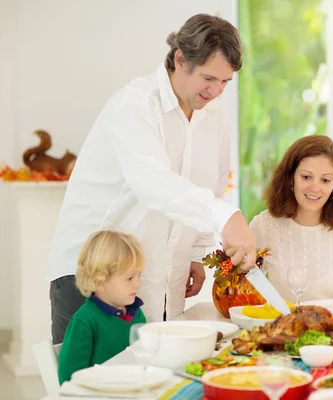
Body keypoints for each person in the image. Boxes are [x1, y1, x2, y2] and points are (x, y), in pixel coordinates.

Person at [47, 14, 256, 344]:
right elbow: (154, 184)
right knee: (91, 390)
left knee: (150, 381)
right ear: (180, 59)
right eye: (209, 78)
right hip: (91, 275)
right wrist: (226, 217)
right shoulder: (135, 105)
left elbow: (212, 185)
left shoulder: (214, 115)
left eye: (226, 82)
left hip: (154, 279)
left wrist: (195, 254)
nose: (216, 91)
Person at [249, 135, 333, 302]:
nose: (315, 187)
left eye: (325, 180)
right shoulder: (265, 225)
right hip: (286, 326)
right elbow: (241, 287)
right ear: (291, 177)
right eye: (306, 177)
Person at [57, 231, 146, 384]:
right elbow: (68, 378)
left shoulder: (136, 313)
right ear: (99, 281)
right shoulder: (85, 321)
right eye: (130, 278)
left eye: (139, 275)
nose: (138, 284)